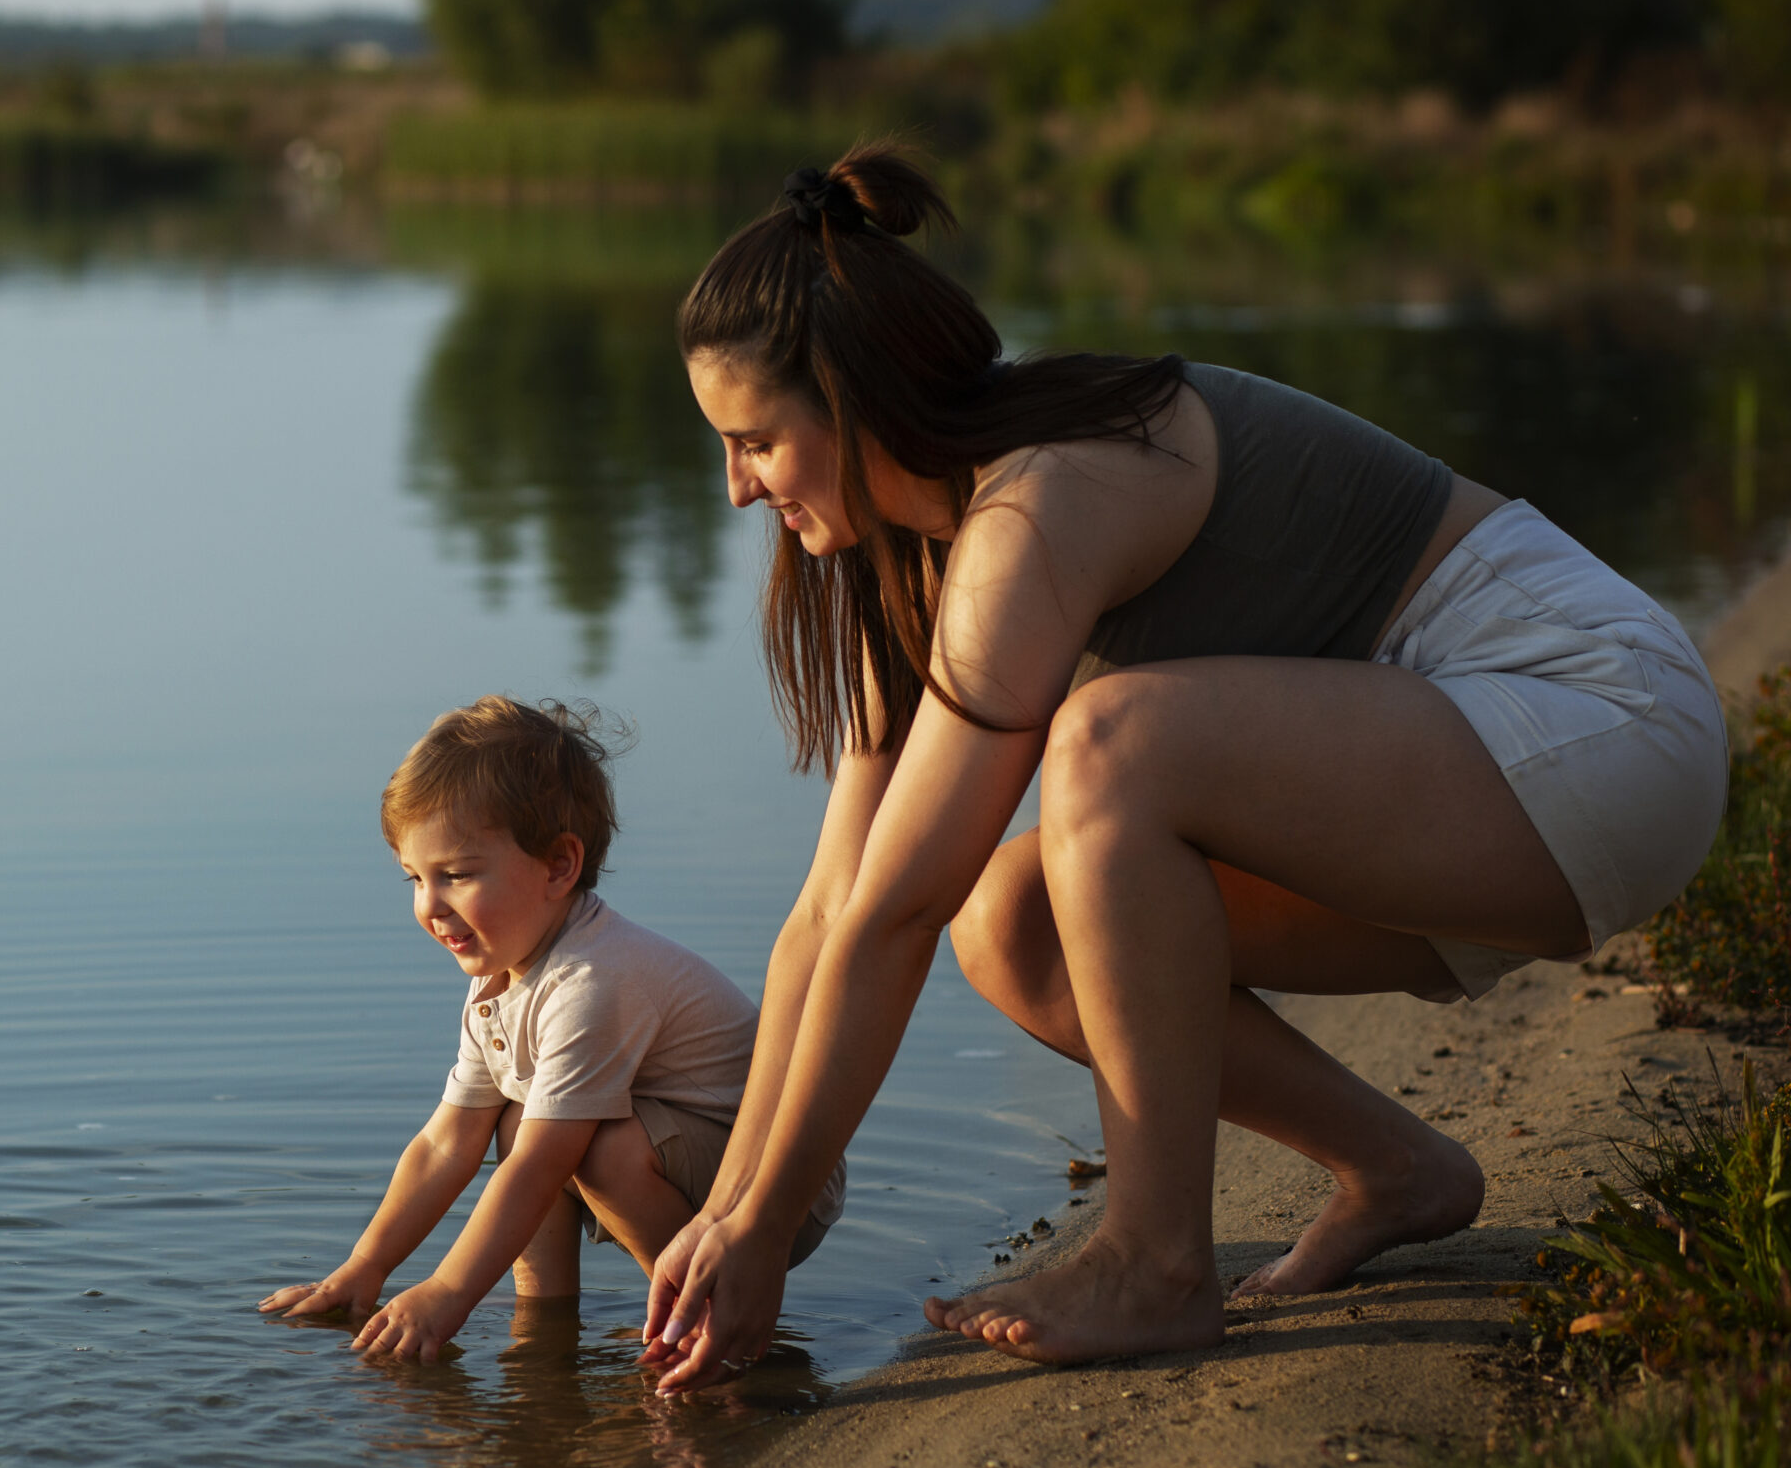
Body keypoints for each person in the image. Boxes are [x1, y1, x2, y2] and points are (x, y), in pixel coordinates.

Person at [637, 145, 1728, 1388]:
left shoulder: (1041, 503)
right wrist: (726, 1217)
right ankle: (1396, 1169)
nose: (733, 488)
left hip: (1595, 722)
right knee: (1012, 919)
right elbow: (835, 907)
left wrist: (772, 1229)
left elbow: (891, 916)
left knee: (1111, 745)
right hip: (1446, 793)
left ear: (848, 401)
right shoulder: (913, 561)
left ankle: (1153, 1265)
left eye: (754, 442)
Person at [260, 695, 844, 1361]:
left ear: (560, 866)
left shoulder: (592, 982)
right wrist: (365, 1267)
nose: (430, 905)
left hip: (777, 1191)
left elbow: (544, 1165)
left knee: (582, 1146)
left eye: (456, 874)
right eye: (415, 878)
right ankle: (542, 1332)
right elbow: (446, 1144)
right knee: (514, 1123)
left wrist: (449, 1290)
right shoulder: (499, 982)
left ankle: (704, 1315)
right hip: (689, 1159)